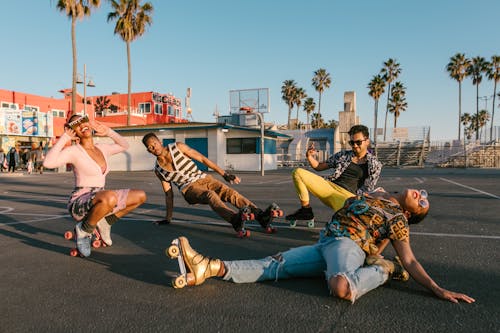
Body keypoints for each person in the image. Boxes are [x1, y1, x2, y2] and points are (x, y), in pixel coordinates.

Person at [167, 188, 475, 304]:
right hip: (326, 242)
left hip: (347, 247)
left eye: (423, 202)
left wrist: (438, 289)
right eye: (422, 194)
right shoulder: (376, 196)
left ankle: (381, 273)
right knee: (275, 264)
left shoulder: (399, 219)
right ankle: (209, 267)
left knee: (341, 287)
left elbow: (409, 260)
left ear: (411, 215)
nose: (421, 194)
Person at [44, 114, 147, 257]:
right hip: (80, 202)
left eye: (83, 121)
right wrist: (65, 138)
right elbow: (48, 163)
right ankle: (84, 230)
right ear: (74, 131)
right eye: (76, 125)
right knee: (110, 197)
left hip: (101, 199)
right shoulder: (74, 151)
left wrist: (109, 132)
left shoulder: (102, 148)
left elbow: (125, 145)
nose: (82, 125)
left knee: (140, 196)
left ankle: (105, 223)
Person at [142, 132, 281, 236]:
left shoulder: (178, 147)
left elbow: (202, 159)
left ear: (159, 141)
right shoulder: (159, 170)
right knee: (210, 195)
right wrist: (168, 218)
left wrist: (224, 174)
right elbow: (168, 194)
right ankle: (234, 220)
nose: (153, 148)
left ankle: (260, 216)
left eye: (154, 143)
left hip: (205, 179)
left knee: (230, 193)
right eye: (150, 147)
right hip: (189, 189)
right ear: (148, 151)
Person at [286, 124, 382, 223]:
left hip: (347, 198)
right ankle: (306, 210)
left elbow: (368, 190)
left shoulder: (374, 164)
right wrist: (309, 157)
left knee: (346, 224)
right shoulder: (343, 155)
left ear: (367, 141)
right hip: (329, 187)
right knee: (298, 172)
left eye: (358, 142)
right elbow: (319, 167)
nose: (355, 145)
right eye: (352, 142)